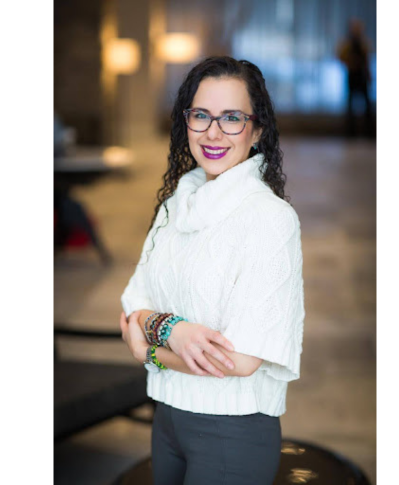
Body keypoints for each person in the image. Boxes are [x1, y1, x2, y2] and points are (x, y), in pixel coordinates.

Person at [119, 56, 305, 485]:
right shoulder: (175, 204)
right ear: (186, 121)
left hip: (232, 431)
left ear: (257, 130)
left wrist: (147, 348)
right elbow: (132, 302)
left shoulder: (269, 219)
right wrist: (171, 329)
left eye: (232, 118)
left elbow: (238, 360)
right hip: (166, 417)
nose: (213, 133)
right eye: (201, 115)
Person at [337, 18, 374, 137]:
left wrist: (368, 74)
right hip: (352, 76)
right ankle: (350, 132)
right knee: (350, 106)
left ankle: (369, 132)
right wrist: (350, 63)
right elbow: (341, 57)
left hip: (362, 76)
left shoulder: (363, 42)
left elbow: (367, 59)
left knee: (367, 106)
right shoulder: (347, 43)